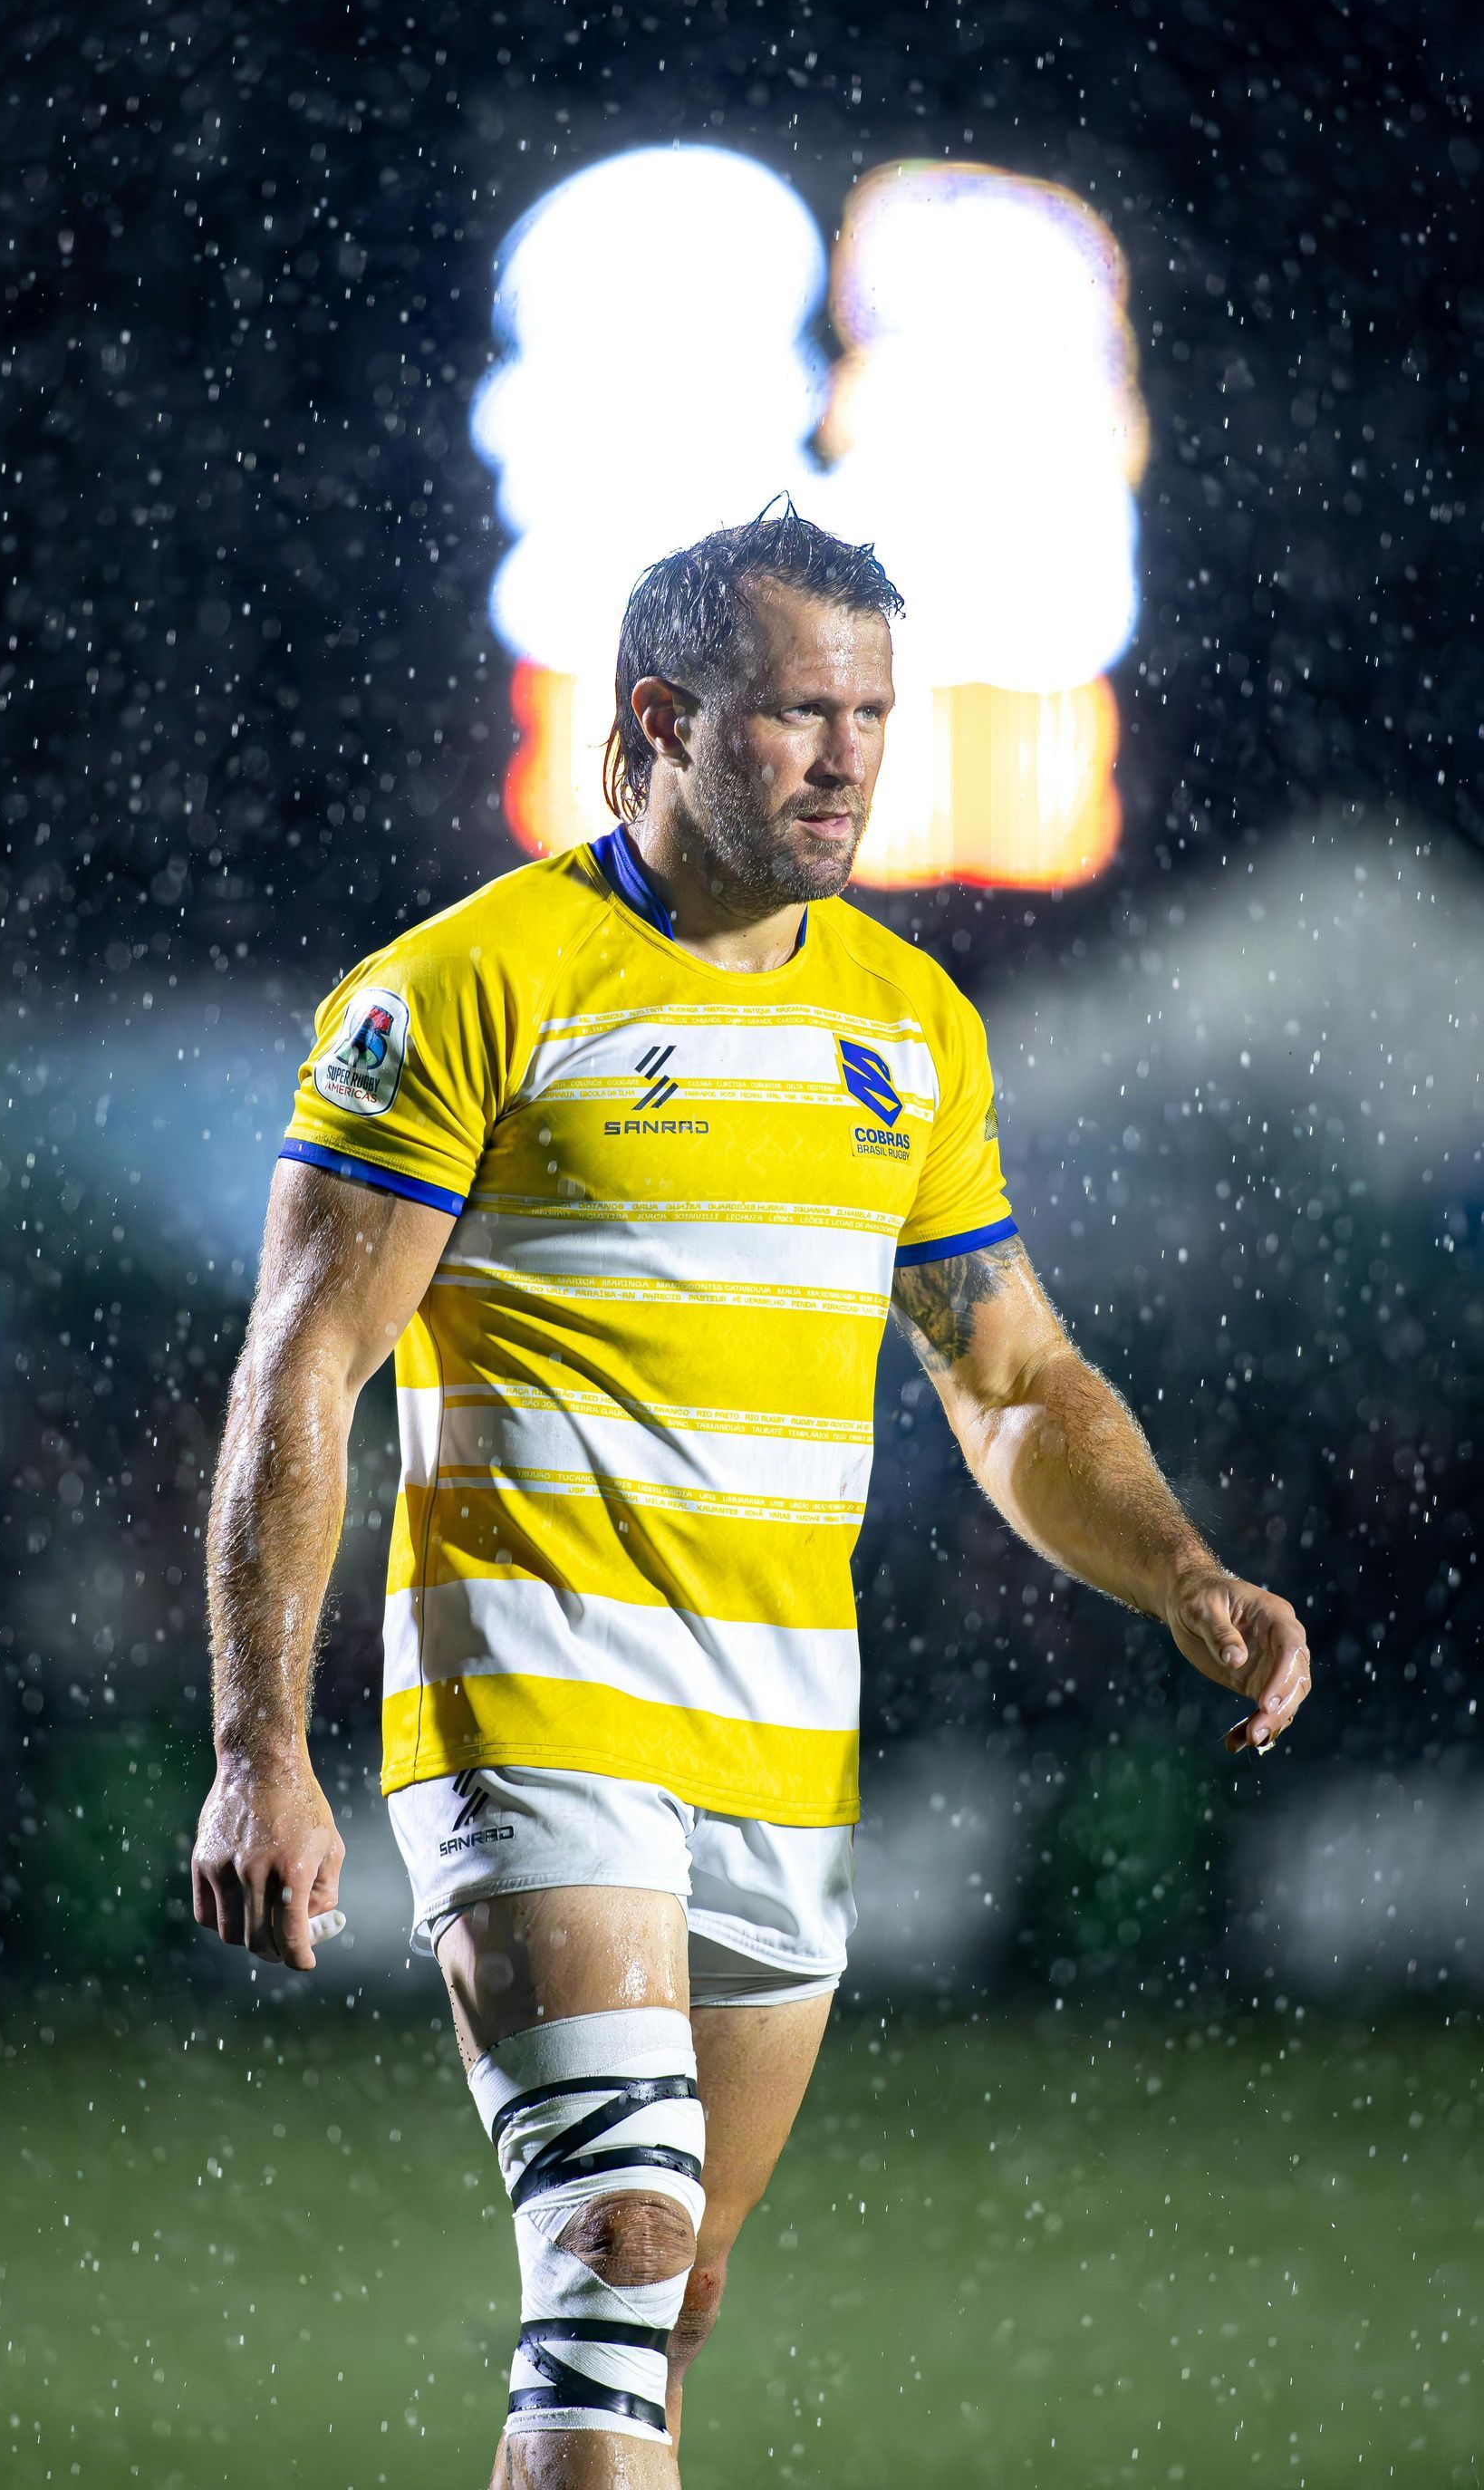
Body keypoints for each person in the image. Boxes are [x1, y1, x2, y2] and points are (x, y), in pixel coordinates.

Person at [191, 507, 1311, 2488]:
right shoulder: (462, 990)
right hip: (534, 1700)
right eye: (800, 712)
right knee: (613, 2250)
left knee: (675, 2294)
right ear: (659, 719)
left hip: (781, 1731)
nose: (849, 759)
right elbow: (306, 1370)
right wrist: (257, 1743)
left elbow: (1013, 1376)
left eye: (873, 714)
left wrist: (1182, 1572)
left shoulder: (907, 1024)